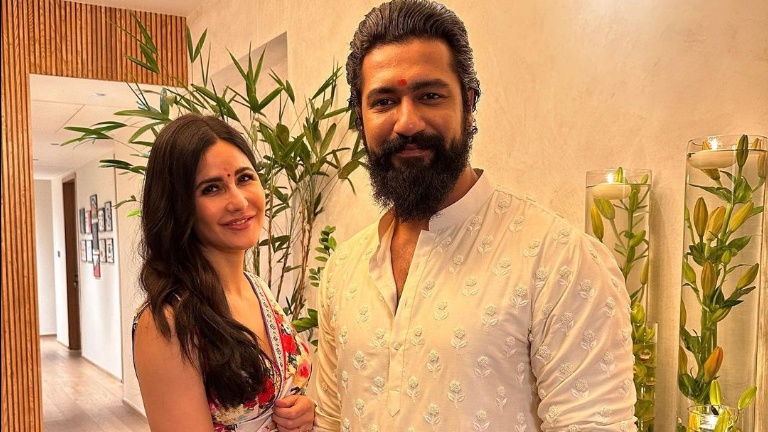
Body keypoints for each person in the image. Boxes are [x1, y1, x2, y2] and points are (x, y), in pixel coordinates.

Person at [312, 1, 638, 431]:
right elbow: (331, 419)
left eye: (429, 95)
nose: (407, 122)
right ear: (361, 116)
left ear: (468, 103)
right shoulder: (342, 270)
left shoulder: (558, 258)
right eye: (384, 101)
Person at [133, 114, 316, 432]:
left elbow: (280, 394)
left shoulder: (258, 289)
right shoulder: (167, 322)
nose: (239, 201)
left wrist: (302, 411)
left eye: (244, 178)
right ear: (178, 206)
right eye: (212, 188)